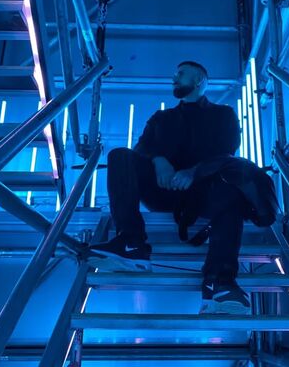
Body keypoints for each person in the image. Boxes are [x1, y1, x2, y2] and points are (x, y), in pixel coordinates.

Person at [88, 61, 251, 315]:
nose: (174, 78)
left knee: (233, 191)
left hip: (204, 193)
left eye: (181, 74)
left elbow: (226, 153)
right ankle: (131, 243)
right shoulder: (161, 118)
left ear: (199, 80)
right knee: (120, 156)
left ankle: (219, 282)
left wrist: (193, 172)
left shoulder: (223, 114)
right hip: (162, 190)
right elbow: (141, 149)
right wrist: (158, 160)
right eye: (175, 73)